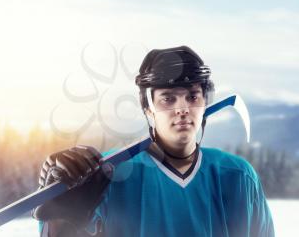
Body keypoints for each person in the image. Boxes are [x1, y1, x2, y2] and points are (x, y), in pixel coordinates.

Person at [33, 46, 275, 237]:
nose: (182, 109)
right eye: (168, 99)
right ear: (147, 108)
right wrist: (61, 216)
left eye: (192, 96)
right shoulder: (107, 175)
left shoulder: (238, 176)